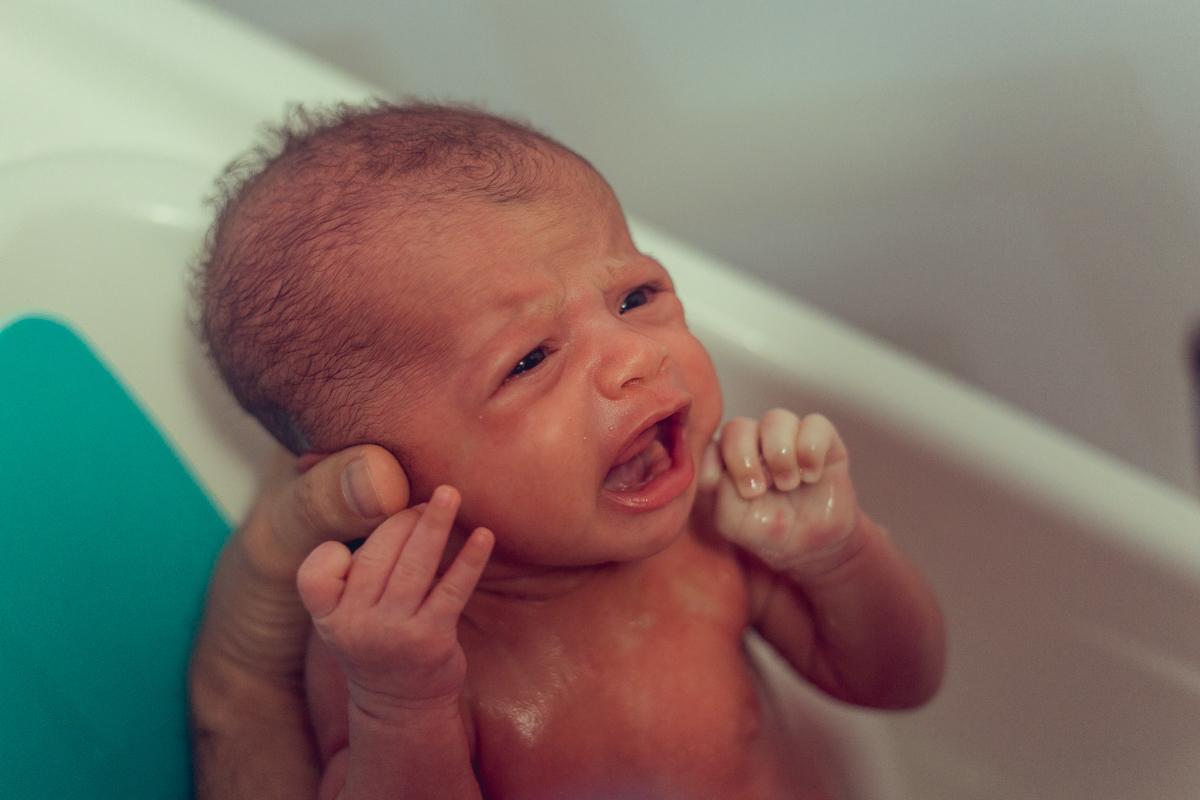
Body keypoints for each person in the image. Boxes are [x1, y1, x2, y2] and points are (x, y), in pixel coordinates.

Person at [188, 101, 945, 799]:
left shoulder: (709, 541)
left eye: (636, 298)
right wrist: (401, 706)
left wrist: (835, 554)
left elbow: (899, 683)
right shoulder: (393, 658)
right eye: (529, 360)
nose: (634, 358)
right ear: (375, 474)